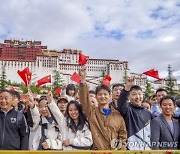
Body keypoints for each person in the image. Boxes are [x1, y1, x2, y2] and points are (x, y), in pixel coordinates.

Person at [79, 66, 127, 150]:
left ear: (110, 96)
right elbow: (84, 99)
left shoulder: (117, 115)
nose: (102, 96)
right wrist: (83, 80)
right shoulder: (92, 112)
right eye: (100, 94)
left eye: (105, 94)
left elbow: (122, 135)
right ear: (96, 96)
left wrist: (119, 149)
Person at [117, 77, 152, 150]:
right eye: (134, 94)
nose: (137, 97)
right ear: (128, 97)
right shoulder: (127, 110)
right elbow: (121, 103)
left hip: (147, 149)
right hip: (132, 148)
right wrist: (127, 88)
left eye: (139, 94)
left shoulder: (148, 113)